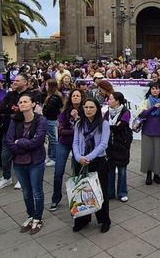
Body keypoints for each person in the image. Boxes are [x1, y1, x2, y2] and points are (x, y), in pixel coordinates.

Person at [7, 94, 48, 235]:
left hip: (35, 161)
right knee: (26, 192)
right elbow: (10, 141)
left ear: (33, 104)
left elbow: (37, 142)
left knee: (37, 191)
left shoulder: (41, 120)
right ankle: (30, 215)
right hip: (18, 162)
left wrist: (21, 142)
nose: (22, 104)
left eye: (25, 101)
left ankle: (38, 218)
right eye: (20, 102)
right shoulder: (15, 120)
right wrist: (22, 144)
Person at [71, 96, 112, 232]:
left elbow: (103, 144)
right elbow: (75, 142)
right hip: (81, 161)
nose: (88, 110)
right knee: (82, 192)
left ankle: (104, 220)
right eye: (86, 107)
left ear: (97, 108)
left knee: (100, 192)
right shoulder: (79, 124)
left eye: (91, 107)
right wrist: (78, 157)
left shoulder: (104, 124)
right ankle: (82, 220)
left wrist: (89, 157)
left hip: (98, 161)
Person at [0, 74, 34, 190]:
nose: (14, 82)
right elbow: (1, 108)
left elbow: (31, 111)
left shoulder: (32, 95)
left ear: (25, 82)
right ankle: (6, 177)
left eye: (17, 80)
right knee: (5, 154)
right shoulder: (10, 94)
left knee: (23, 153)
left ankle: (22, 178)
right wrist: (12, 108)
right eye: (13, 80)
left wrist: (18, 111)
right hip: (8, 127)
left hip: (24, 128)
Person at [50, 88, 84, 212]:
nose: (75, 97)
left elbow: (84, 130)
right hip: (63, 144)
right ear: (70, 98)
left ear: (81, 98)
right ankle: (55, 198)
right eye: (73, 95)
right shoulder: (65, 111)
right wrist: (74, 131)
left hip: (78, 145)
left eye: (78, 95)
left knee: (77, 172)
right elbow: (61, 130)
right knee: (58, 172)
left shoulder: (85, 110)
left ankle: (77, 198)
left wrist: (77, 119)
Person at [105, 92, 132, 203]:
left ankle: (122, 192)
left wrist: (109, 127)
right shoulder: (107, 112)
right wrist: (112, 126)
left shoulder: (125, 112)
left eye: (111, 99)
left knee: (122, 170)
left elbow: (120, 127)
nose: (108, 101)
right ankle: (110, 192)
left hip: (122, 144)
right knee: (110, 170)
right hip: (110, 145)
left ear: (117, 101)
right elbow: (105, 125)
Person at [138, 81, 160, 185]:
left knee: (159, 154)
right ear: (150, 90)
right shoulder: (146, 101)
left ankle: (157, 174)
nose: (155, 90)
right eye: (153, 88)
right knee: (147, 154)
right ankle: (148, 174)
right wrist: (154, 107)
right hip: (147, 131)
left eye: (157, 88)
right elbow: (142, 114)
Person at [42, 79, 63, 167]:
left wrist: (43, 109)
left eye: (47, 85)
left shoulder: (54, 97)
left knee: (53, 140)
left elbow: (49, 110)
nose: (45, 87)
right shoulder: (52, 96)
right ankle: (51, 156)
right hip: (50, 119)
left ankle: (54, 158)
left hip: (52, 120)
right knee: (51, 139)